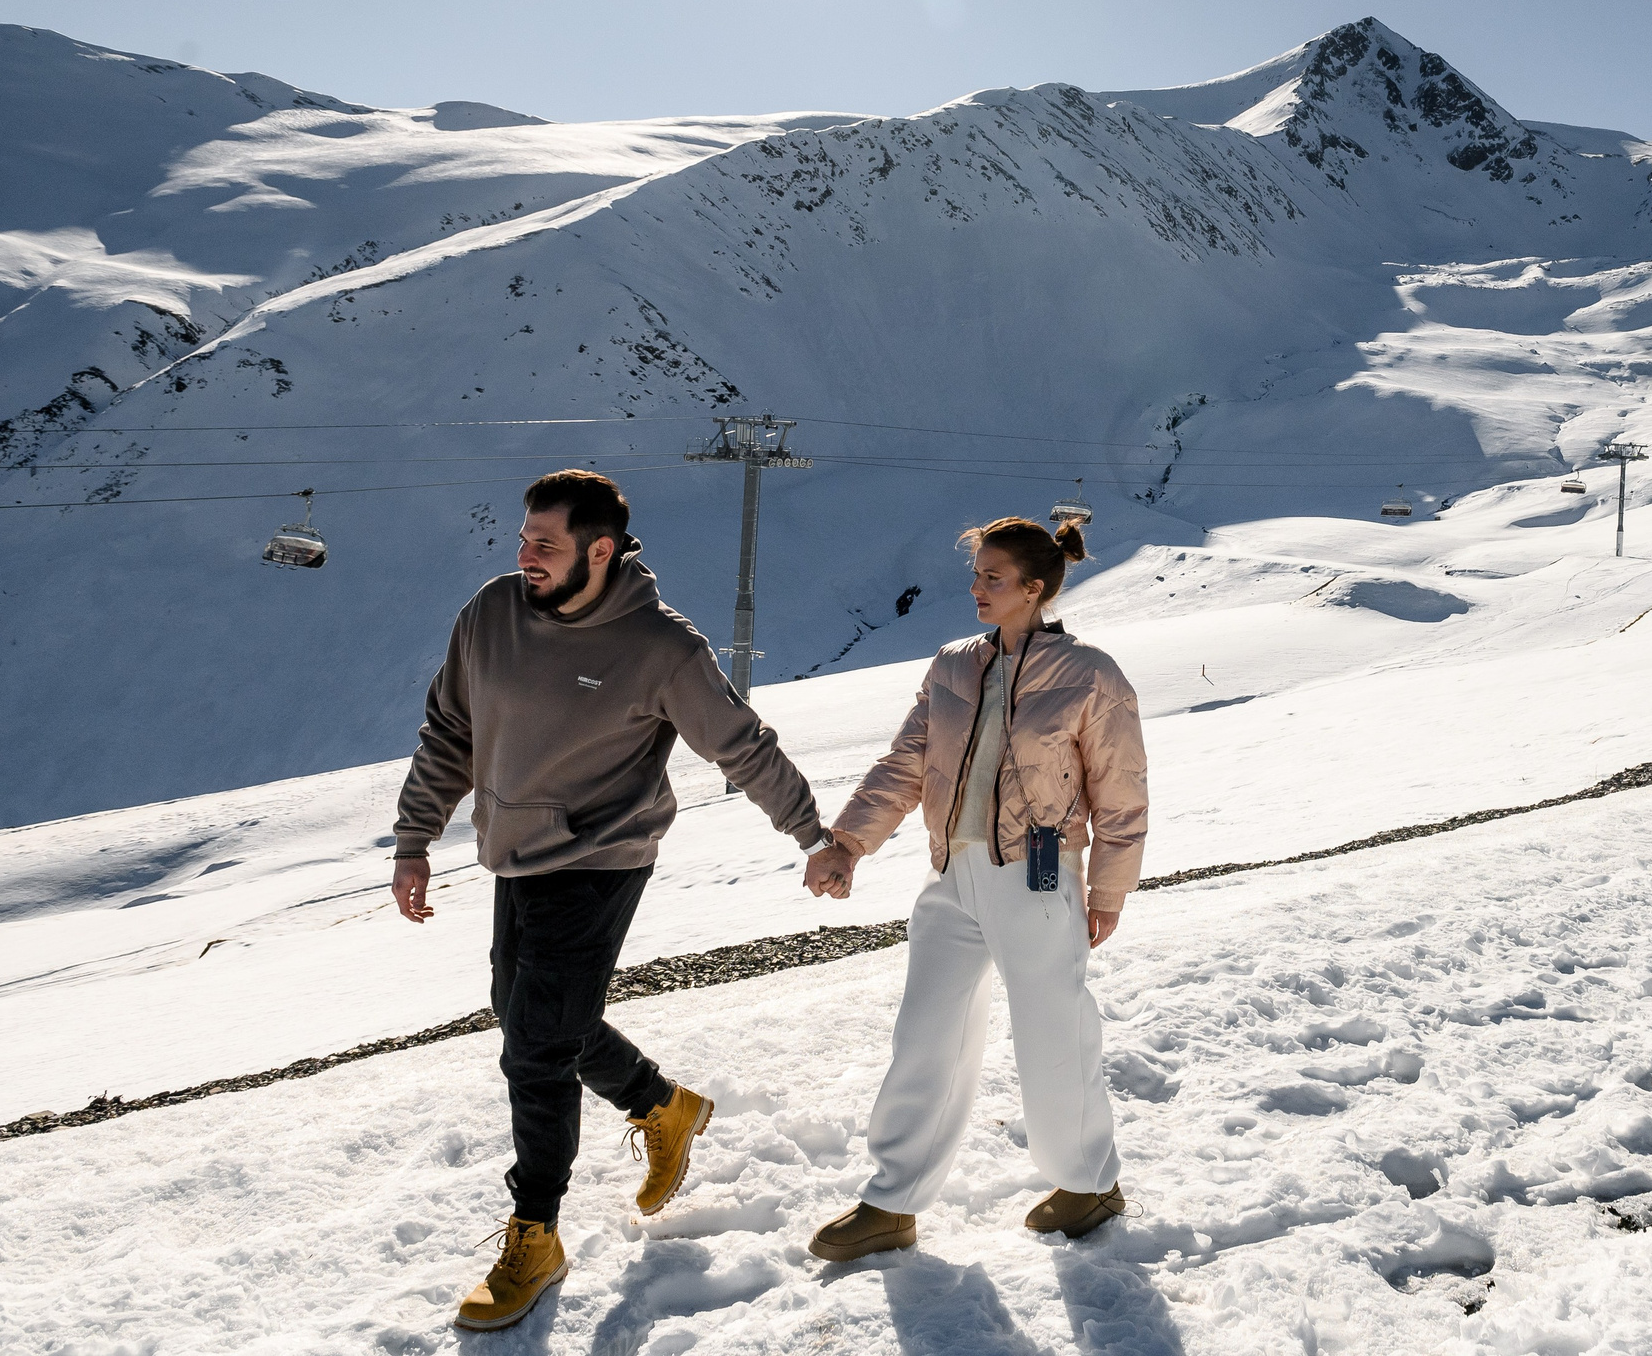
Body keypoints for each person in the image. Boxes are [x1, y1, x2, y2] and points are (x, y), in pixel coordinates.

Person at [388, 469, 836, 1331]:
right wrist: (415, 838)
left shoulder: (661, 647)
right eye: (523, 538)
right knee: (529, 1013)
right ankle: (664, 1105)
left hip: (601, 860)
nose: (526, 556)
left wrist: (811, 836)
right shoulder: (491, 612)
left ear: (602, 551)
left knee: (537, 1048)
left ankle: (537, 1234)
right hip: (515, 851)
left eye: (545, 544)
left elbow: (740, 745)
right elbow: (451, 729)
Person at [803, 515, 1148, 1260]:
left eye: (994, 577)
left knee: (1052, 1031)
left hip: (1039, 873)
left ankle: (1088, 1182)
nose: (977, 589)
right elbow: (905, 763)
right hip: (951, 874)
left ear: (1034, 587)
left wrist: (1109, 892)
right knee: (925, 1034)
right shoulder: (953, 663)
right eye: (977, 574)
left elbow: (1122, 795)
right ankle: (893, 1200)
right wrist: (848, 842)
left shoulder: (1091, 674)